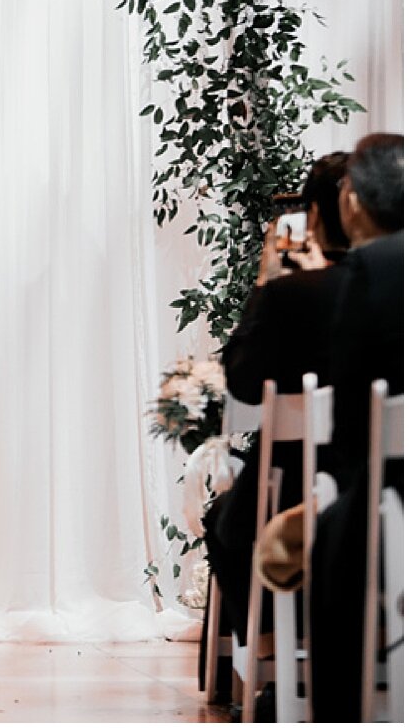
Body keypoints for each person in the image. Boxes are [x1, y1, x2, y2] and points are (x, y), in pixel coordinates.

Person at [201, 153, 351, 656]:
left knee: (225, 525)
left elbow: (242, 384)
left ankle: (269, 656)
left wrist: (270, 280)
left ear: (311, 216)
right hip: (377, 487)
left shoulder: (291, 294)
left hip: (288, 492)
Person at [310, 133, 403, 722]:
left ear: (354, 202)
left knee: (333, 537)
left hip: (388, 483)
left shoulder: (372, 268)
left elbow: (344, 410)